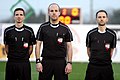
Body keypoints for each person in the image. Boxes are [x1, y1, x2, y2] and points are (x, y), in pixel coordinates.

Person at [35, 3, 73, 80]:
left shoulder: (65, 28)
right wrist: (38, 61)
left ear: (59, 13)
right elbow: (38, 44)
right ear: (48, 13)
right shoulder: (43, 27)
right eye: (51, 11)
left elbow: (69, 46)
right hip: (46, 61)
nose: (54, 13)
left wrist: (69, 63)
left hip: (60, 62)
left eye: (56, 10)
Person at [4, 8, 36, 80]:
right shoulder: (8, 31)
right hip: (11, 62)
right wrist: (12, 56)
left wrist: (25, 56)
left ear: (24, 17)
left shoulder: (29, 31)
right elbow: (6, 46)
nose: (19, 16)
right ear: (14, 17)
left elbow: (31, 47)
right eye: (17, 15)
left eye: (21, 15)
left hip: (24, 63)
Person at [85, 10, 117, 80]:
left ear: (107, 19)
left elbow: (111, 51)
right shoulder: (90, 34)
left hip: (107, 67)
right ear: (96, 19)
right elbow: (88, 50)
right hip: (93, 67)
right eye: (99, 17)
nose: (101, 19)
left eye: (103, 17)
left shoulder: (112, 34)